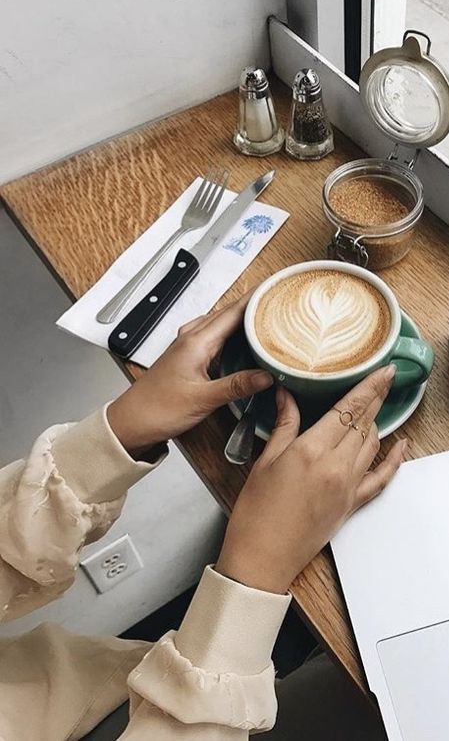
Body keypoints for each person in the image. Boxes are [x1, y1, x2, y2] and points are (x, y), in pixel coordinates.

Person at [0, 297, 401, 739]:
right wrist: (254, 573)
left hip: (105, 684)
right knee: (394, 677)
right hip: (144, 721)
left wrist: (114, 436)